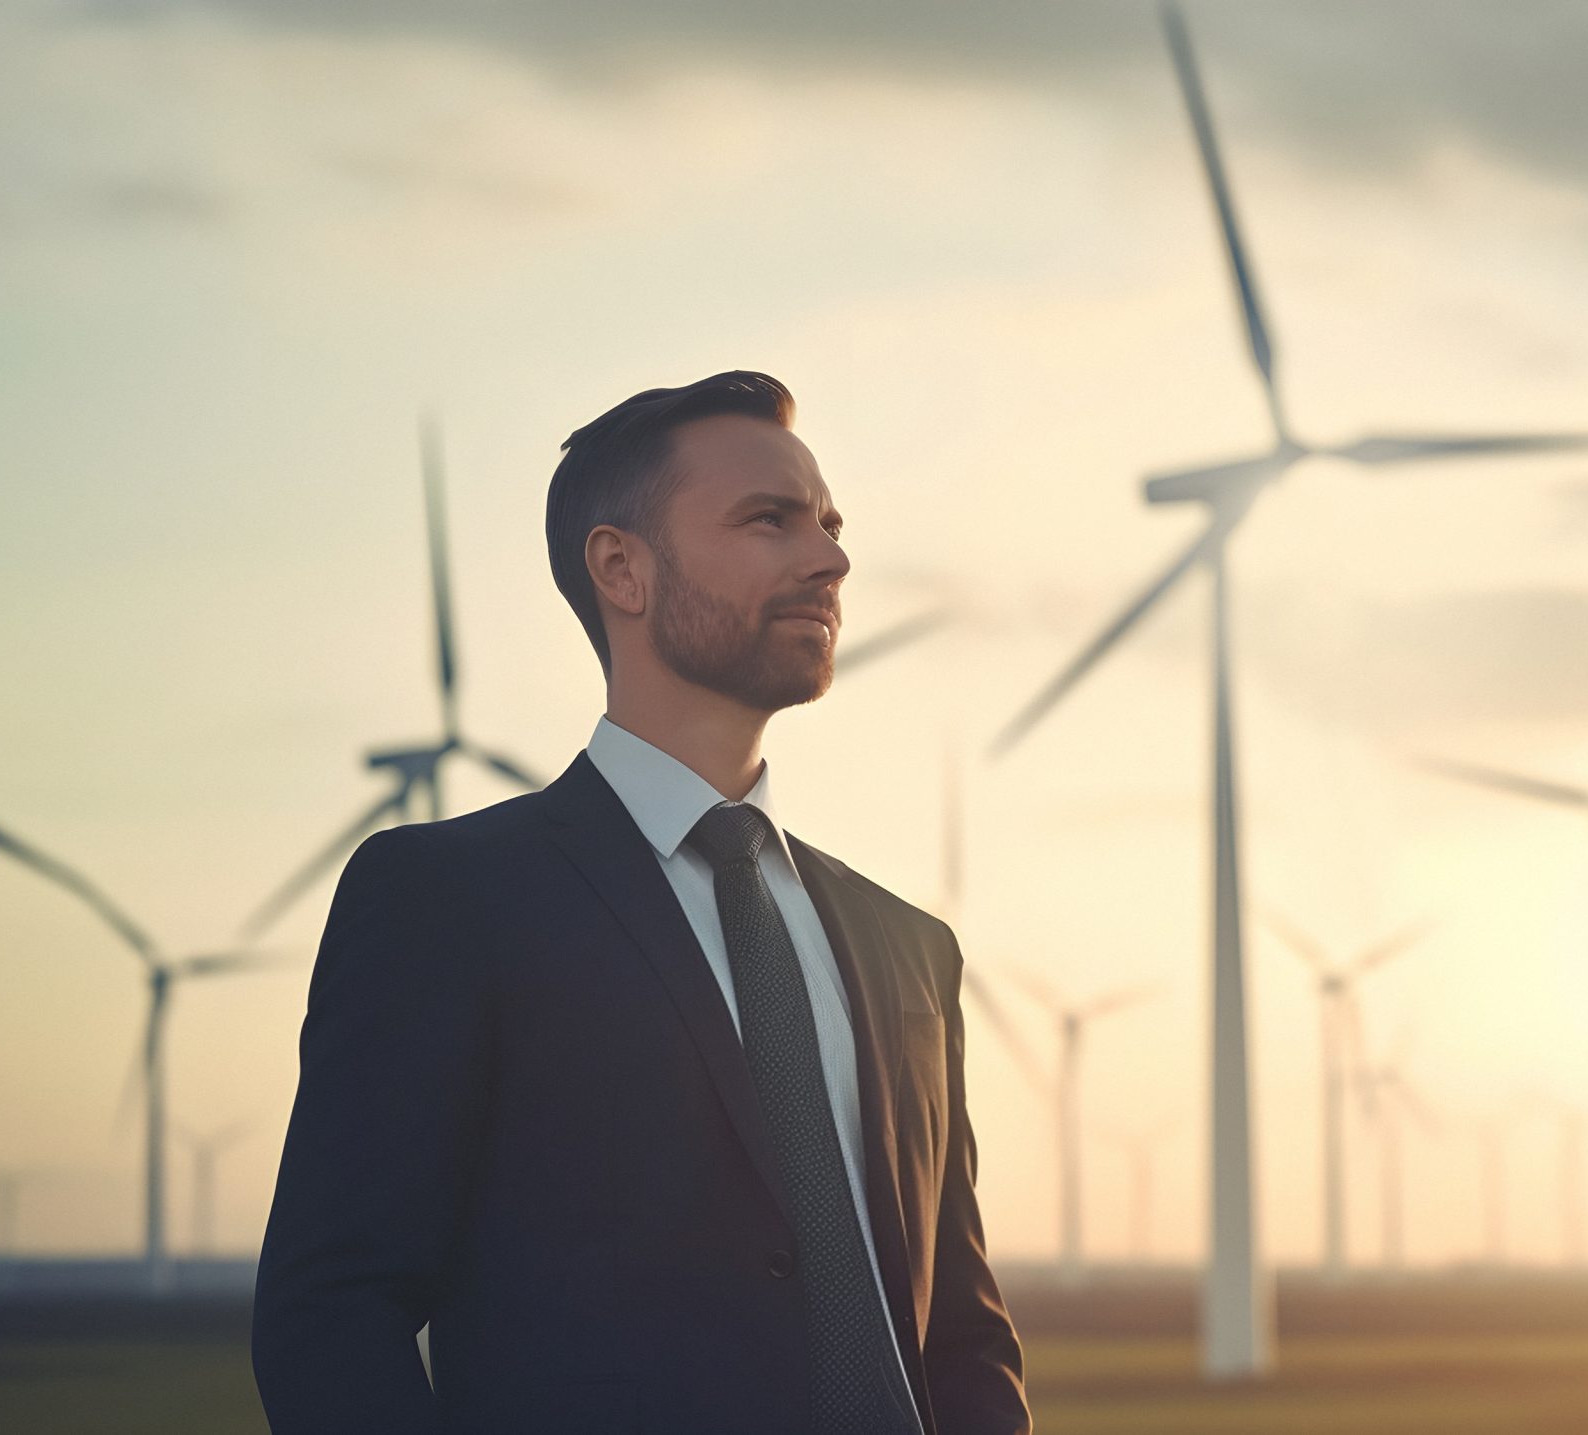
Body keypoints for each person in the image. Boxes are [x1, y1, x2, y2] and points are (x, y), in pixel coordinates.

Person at [251, 371, 1028, 1434]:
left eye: (830, 524)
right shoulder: (446, 902)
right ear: (622, 567)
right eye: (771, 520)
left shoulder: (910, 949)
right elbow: (331, 1311)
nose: (831, 558)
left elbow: (965, 1342)